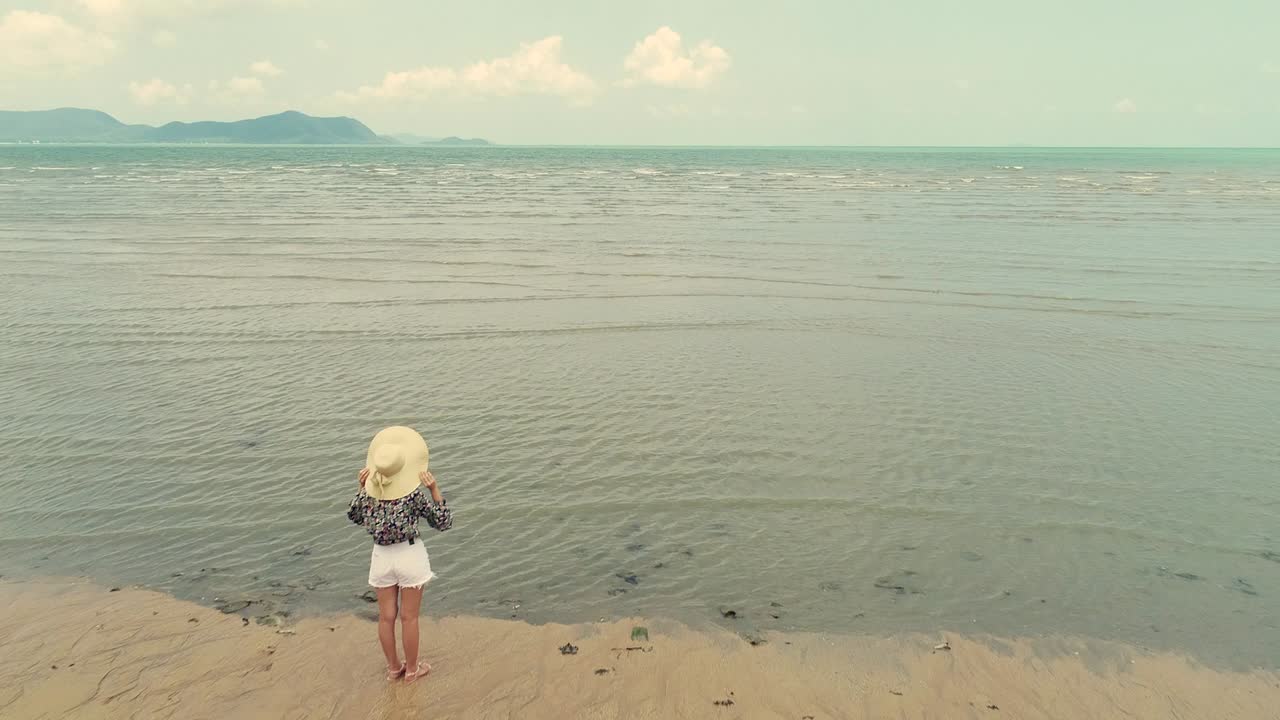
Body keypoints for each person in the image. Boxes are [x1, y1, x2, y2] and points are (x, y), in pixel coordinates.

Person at [347, 426, 453, 683]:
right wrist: (435, 489)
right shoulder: (413, 495)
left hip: (381, 558)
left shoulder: (369, 496)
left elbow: (353, 516)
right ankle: (413, 669)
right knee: (409, 618)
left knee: (386, 618)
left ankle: (394, 668)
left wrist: (362, 488)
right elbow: (443, 522)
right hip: (409, 555)